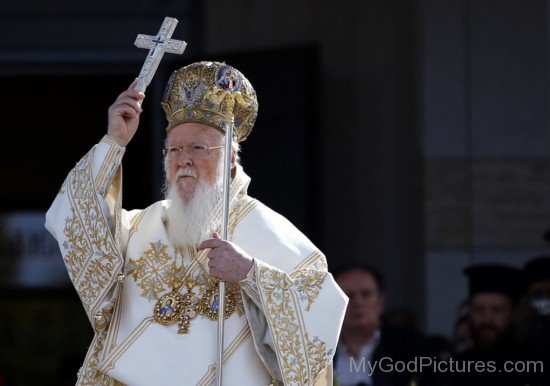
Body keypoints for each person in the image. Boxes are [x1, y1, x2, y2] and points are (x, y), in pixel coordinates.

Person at [45, 61, 348, 385]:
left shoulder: (267, 231)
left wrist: (251, 275)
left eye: (197, 148)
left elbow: (320, 315)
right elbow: (71, 220)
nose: (183, 159)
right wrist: (114, 143)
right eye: (174, 149)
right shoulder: (140, 226)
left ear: (231, 157)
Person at [333, 263, 430, 386]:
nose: (357, 302)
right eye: (348, 296)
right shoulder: (313, 351)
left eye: (366, 294)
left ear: (381, 302)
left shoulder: (412, 348)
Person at [451, 264, 527, 386]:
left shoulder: (534, 367)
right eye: (479, 310)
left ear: (514, 314)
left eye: (497, 310)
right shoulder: (454, 370)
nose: (487, 320)